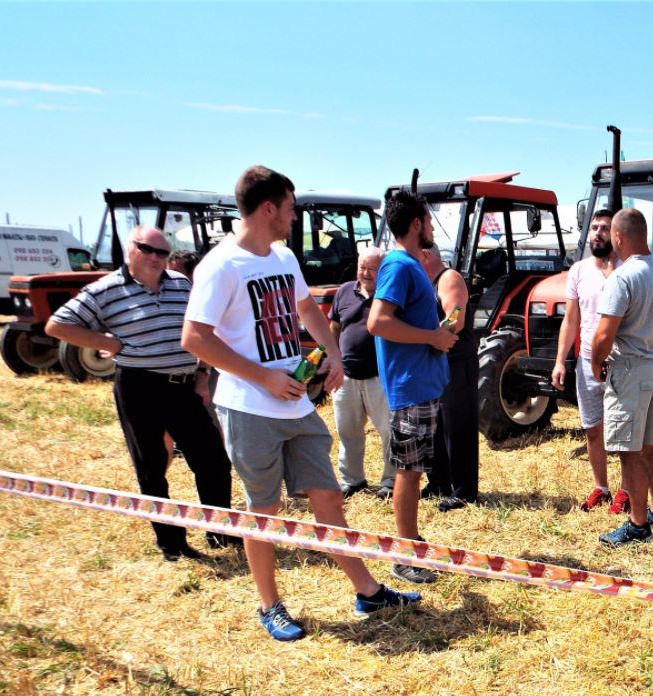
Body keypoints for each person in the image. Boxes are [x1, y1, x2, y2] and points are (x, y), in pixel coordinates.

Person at [181, 165, 418, 642]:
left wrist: (333, 354)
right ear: (269, 208)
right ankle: (269, 605)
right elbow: (195, 338)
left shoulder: (283, 256)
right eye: (290, 208)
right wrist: (263, 377)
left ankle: (368, 591)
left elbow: (306, 307)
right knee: (264, 509)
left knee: (328, 496)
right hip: (249, 407)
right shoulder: (220, 266)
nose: (294, 217)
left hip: (295, 404)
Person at [48, 224, 236, 562]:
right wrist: (107, 343)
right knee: (152, 468)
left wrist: (202, 374)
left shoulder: (181, 284)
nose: (155, 257)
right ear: (130, 249)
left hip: (183, 387)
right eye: (147, 249)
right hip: (140, 387)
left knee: (213, 461)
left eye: (162, 252)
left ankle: (219, 532)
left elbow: (201, 331)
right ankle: (172, 543)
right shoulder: (105, 289)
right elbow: (57, 325)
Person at [366, 190, 458, 584]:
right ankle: (405, 556)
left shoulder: (407, 264)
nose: (433, 227)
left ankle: (412, 541)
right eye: (429, 220)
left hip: (419, 385)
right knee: (408, 471)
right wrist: (432, 337)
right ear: (416, 223)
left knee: (414, 469)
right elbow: (377, 322)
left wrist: (437, 333)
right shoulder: (399, 265)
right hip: (411, 387)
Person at [591, 208, 653, 546]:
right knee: (649, 447)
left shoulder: (622, 277)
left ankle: (637, 525)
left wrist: (595, 362)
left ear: (619, 237)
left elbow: (604, 334)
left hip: (629, 371)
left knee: (628, 452)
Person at [552, 209, 629, 514]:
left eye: (604, 228)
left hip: (621, 361)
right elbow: (571, 320)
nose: (597, 233)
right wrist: (560, 361)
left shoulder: (628, 269)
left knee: (623, 433)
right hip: (587, 362)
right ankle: (601, 487)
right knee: (593, 428)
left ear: (616, 234)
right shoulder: (579, 271)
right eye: (594, 227)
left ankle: (626, 491)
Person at [329, 247, 396, 500]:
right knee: (347, 431)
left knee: (388, 430)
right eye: (362, 267)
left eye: (372, 269)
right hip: (347, 375)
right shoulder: (344, 291)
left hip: (380, 375)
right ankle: (352, 480)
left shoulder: (389, 294)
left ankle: (390, 482)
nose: (366, 273)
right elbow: (334, 326)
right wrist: (333, 358)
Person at [418, 242, 478, 512]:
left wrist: (428, 340)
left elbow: (455, 318)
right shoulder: (427, 283)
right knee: (434, 425)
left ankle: (464, 490)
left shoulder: (449, 278)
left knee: (457, 426)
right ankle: (439, 482)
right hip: (434, 362)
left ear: (426, 255)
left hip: (456, 363)